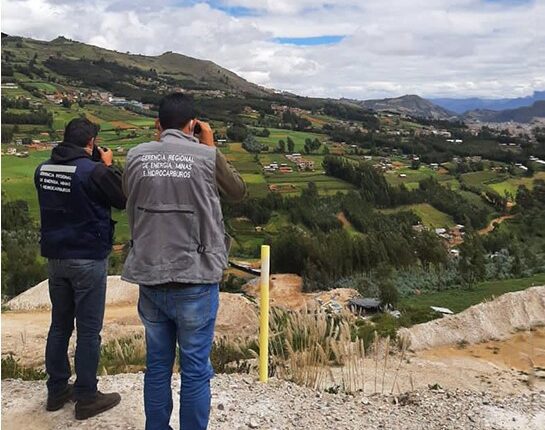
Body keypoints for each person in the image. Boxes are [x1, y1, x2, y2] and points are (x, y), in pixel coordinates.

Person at [121, 93, 246, 430]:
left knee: (157, 367)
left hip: (149, 276)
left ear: (158, 124)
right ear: (193, 124)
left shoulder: (135, 155)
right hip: (195, 278)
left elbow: (128, 195)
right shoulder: (205, 156)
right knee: (194, 370)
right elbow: (237, 190)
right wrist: (210, 146)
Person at [35, 117, 126, 420]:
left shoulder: (43, 170)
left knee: (60, 325)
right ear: (91, 143)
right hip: (87, 258)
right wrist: (109, 165)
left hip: (55, 258)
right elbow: (122, 199)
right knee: (89, 332)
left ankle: (56, 390)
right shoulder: (94, 171)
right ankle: (87, 396)